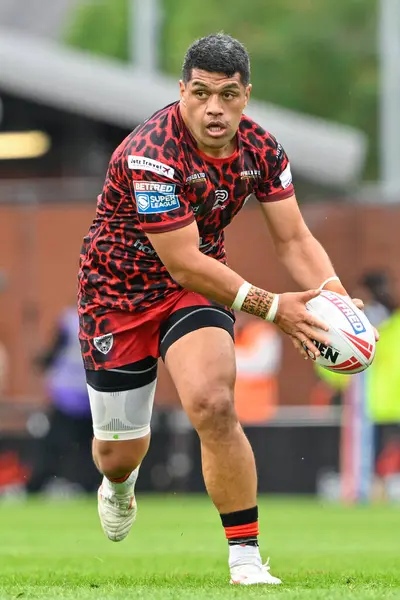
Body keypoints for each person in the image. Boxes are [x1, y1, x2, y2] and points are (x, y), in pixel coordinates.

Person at [78, 33, 363, 585]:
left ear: (246, 96)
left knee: (212, 402)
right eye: (202, 93)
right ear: (181, 90)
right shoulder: (151, 152)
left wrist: (333, 295)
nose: (214, 108)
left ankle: (246, 560)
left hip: (197, 290)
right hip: (116, 295)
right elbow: (182, 260)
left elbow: (294, 238)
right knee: (117, 455)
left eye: (228, 95)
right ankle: (118, 486)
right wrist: (272, 306)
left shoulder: (263, 148)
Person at [314, 270, 400, 501]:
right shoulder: (356, 328)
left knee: (393, 474)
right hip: (367, 414)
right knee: (370, 475)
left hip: (397, 411)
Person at [27, 306, 93, 494]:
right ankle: (87, 485)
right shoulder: (104, 319)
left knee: (53, 446)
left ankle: (38, 484)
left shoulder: (69, 321)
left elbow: (54, 353)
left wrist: (41, 362)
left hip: (68, 396)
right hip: (91, 396)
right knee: (88, 449)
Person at [234, 312, 282, 424]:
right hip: (231, 414)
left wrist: (227, 358)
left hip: (260, 414)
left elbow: (263, 366)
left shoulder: (264, 332)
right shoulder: (229, 332)